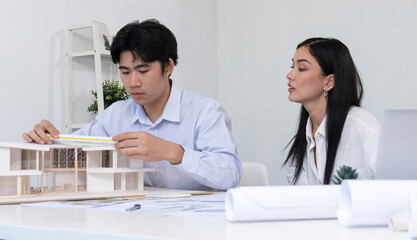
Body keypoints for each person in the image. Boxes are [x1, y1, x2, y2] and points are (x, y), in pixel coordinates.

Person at [23, 19, 241, 191]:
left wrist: (173, 152)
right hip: (135, 220)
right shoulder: (115, 115)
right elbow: (76, 149)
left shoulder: (205, 112)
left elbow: (230, 173)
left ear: (168, 67)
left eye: (143, 71)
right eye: (125, 72)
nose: (133, 82)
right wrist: (47, 140)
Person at [284, 37, 379, 185]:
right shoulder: (303, 139)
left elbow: (393, 188)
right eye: (292, 67)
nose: (289, 75)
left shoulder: (361, 126)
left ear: (329, 82)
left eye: (301, 68)